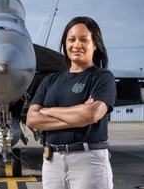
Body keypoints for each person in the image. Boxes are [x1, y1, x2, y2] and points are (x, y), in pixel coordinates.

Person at [26, 16, 116, 189]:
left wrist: (47, 110)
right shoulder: (50, 81)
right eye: (71, 39)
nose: (77, 45)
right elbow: (32, 119)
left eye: (84, 40)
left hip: (88, 161)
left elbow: (92, 114)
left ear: (95, 44)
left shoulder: (102, 77)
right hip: (52, 162)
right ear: (65, 44)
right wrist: (78, 114)